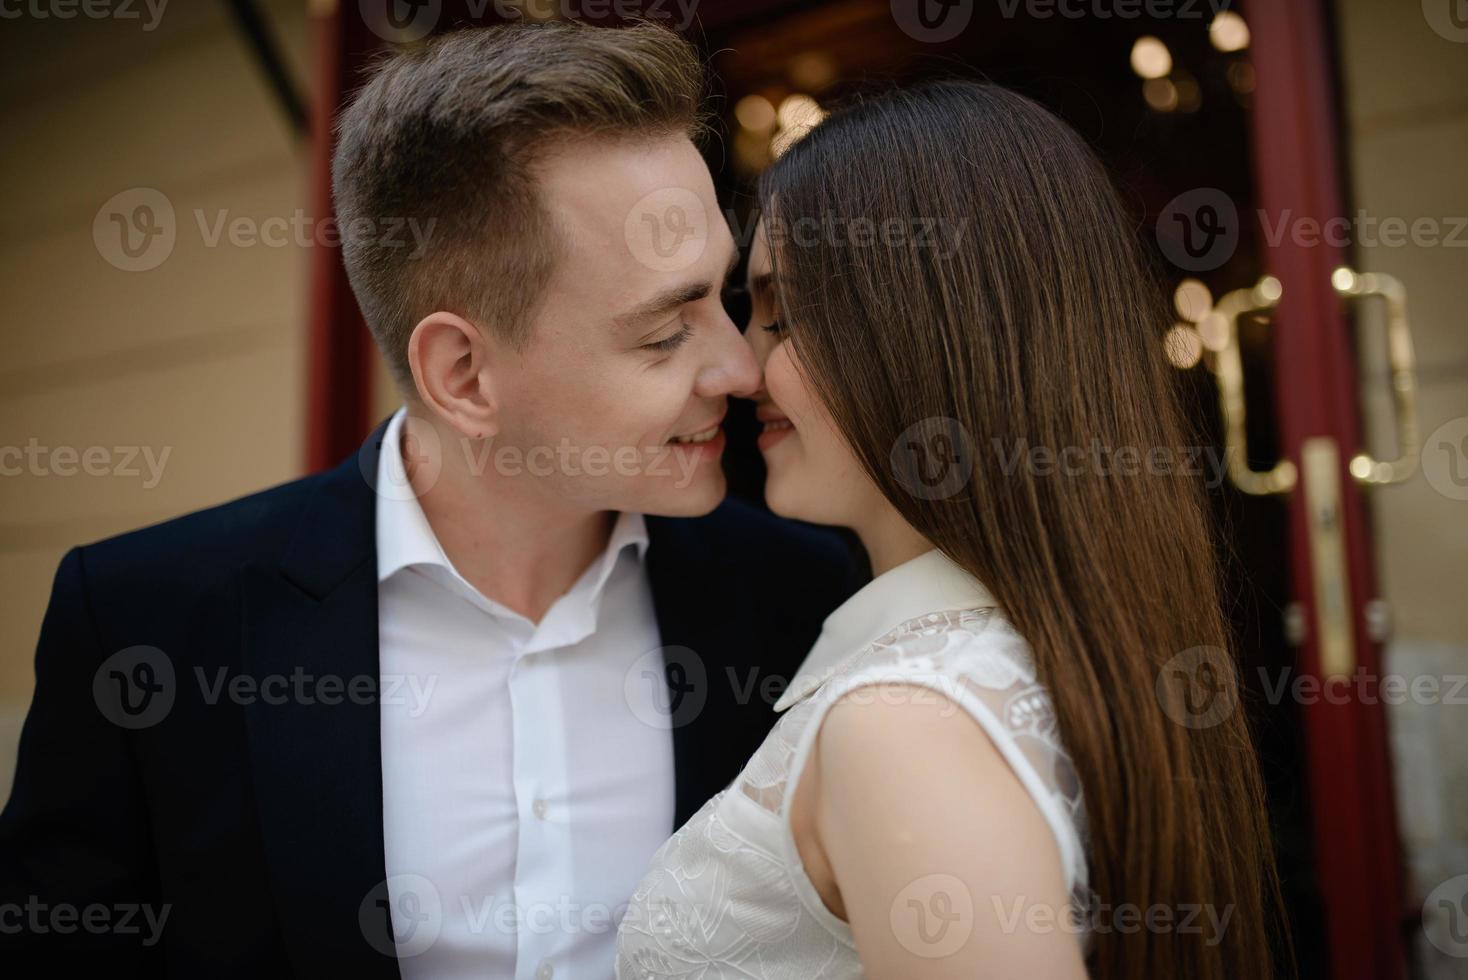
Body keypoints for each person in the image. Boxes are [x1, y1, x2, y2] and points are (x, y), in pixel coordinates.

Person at [0, 21, 862, 978]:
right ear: (462, 375)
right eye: (666, 332)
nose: (744, 367)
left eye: (727, 300)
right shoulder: (145, 621)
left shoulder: (806, 597)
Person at [616, 79, 1284, 979]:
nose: (741, 366)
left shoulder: (905, 725)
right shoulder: (1050, 651)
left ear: (924, 330)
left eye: (782, 313)